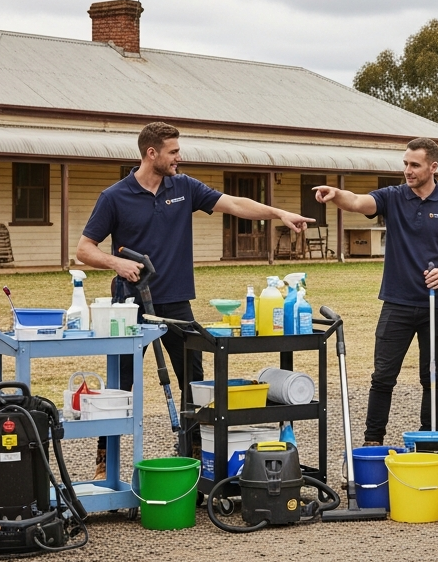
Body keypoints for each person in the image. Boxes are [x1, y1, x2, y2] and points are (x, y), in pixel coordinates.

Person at [77, 121, 311, 476]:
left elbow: (234, 204)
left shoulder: (183, 187)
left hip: (176, 303)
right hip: (130, 306)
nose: (179, 157)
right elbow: (84, 249)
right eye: (173, 151)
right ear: (151, 153)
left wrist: (278, 213)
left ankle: (197, 457)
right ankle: (104, 464)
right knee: (120, 384)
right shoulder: (115, 197)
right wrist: (117, 263)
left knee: (194, 381)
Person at [313, 137, 438, 445]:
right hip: (397, 303)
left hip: (436, 305)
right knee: (383, 376)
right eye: (405, 164)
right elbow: (357, 202)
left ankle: (431, 439)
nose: (408, 171)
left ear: (433, 167)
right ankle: (373, 440)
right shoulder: (393, 196)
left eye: (415, 165)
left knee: (433, 376)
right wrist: (336, 194)